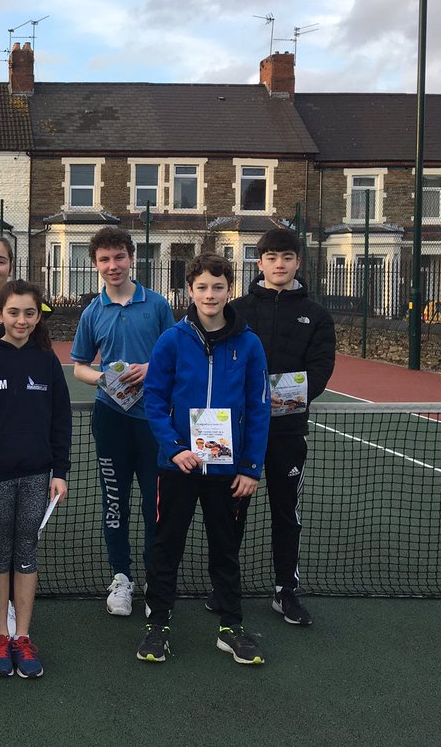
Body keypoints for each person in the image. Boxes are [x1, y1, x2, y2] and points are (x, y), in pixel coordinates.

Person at [138, 253, 269, 665]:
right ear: (189, 291)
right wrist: (174, 447)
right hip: (177, 466)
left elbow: (259, 405)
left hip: (228, 474)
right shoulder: (172, 340)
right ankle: (158, 625)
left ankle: (231, 628)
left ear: (230, 289)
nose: (210, 294)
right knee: (166, 548)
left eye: (218, 286)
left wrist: (250, 467)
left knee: (225, 550)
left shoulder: (249, 343)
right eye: (202, 287)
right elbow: (154, 399)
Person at [230, 228, 335, 626]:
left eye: (286, 257)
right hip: (239, 433)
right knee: (232, 511)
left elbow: (320, 370)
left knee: (285, 513)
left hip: (288, 433)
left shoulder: (317, 315)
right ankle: (226, 587)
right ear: (259, 263)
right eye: (271, 257)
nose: (279, 264)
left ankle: (284, 591)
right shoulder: (236, 309)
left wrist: (285, 399)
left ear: (297, 262)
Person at [70, 227, 175, 617]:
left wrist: (151, 368)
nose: (112, 266)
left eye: (119, 257)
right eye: (104, 259)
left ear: (131, 257)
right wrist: (103, 378)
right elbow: (80, 367)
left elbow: (175, 357)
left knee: (155, 505)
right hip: (111, 418)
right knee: (115, 503)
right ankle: (121, 578)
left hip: (155, 422)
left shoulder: (158, 304)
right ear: (95, 264)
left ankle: (153, 578)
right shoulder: (92, 312)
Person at [0, 281, 70, 678]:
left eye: (30, 313)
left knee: (26, 553)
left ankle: (23, 637)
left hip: (35, 476)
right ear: (0, 314)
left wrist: (59, 472)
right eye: (14, 312)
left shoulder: (47, 361)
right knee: (0, 554)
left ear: (38, 316)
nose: (22, 320)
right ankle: (0, 635)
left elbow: (61, 421)